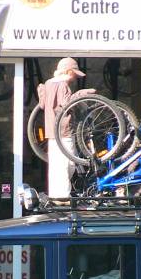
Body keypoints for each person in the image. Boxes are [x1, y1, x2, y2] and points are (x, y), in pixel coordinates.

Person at [37, 57, 94, 198]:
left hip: (52, 130)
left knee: (58, 164)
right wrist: (82, 94)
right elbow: (68, 104)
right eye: (74, 73)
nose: (75, 78)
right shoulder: (62, 84)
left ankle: (57, 194)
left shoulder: (48, 83)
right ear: (68, 71)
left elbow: (43, 105)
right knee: (67, 164)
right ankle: (62, 196)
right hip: (64, 130)